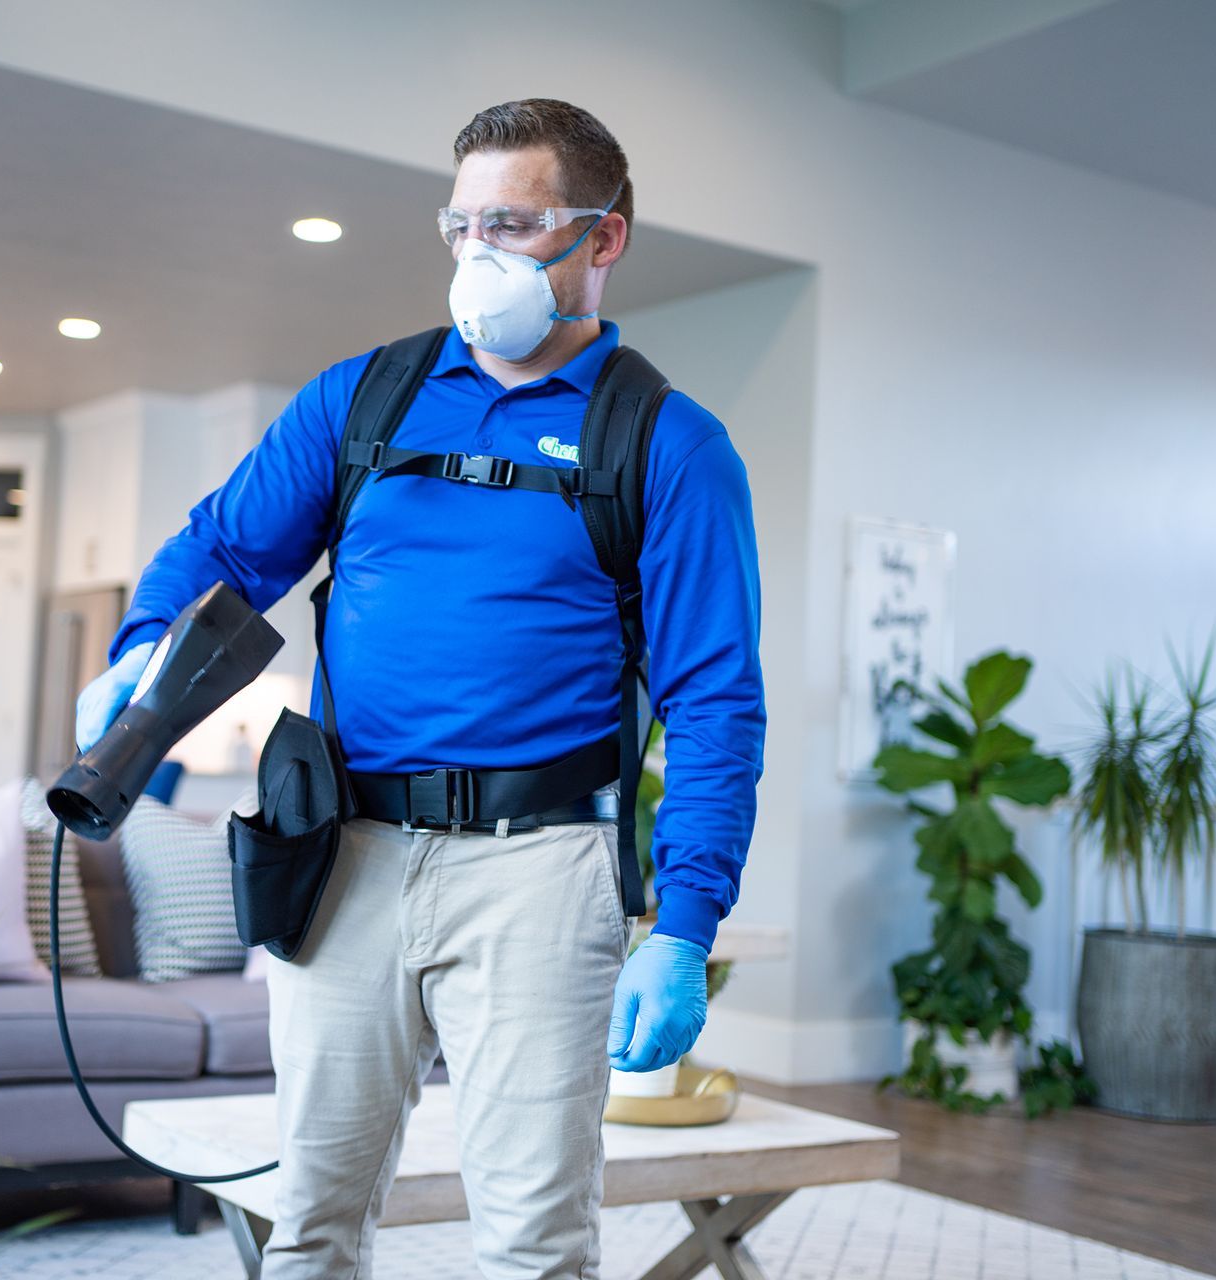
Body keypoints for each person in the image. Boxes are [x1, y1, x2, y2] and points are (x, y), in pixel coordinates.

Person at [77, 99, 764, 1280]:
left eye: (513, 223)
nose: (478, 253)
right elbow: (229, 550)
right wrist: (138, 653)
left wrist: (686, 926)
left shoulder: (668, 443)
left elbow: (715, 698)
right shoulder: (364, 398)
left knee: (534, 1242)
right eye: (461, 224)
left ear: (603, 238)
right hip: (343, 851)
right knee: (313, 1220)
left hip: (540, 871)